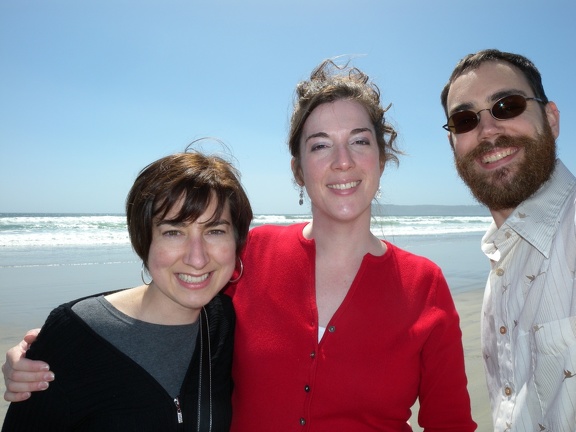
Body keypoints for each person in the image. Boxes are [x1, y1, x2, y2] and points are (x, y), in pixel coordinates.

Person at [3, 60, 477, 431]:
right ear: (297, 168)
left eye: (359, 141)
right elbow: (175, 281)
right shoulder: (253, 255)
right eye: (319, 145)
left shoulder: (424, 284)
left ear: (382, 156)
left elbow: (450, 424)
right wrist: (62, 344)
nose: (343, 161)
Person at [2, 149, 253, 431]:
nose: (197, 258)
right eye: (173, 232)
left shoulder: (229, 326)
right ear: (143, 241)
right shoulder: (73, 335)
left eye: (214, 231)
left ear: (237, 241)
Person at [441, 49, 576, 431]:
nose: (487, 130)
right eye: (465, 120)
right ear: (454, 144)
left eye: (507, 105)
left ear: (551, 119)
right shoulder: (499, 257)